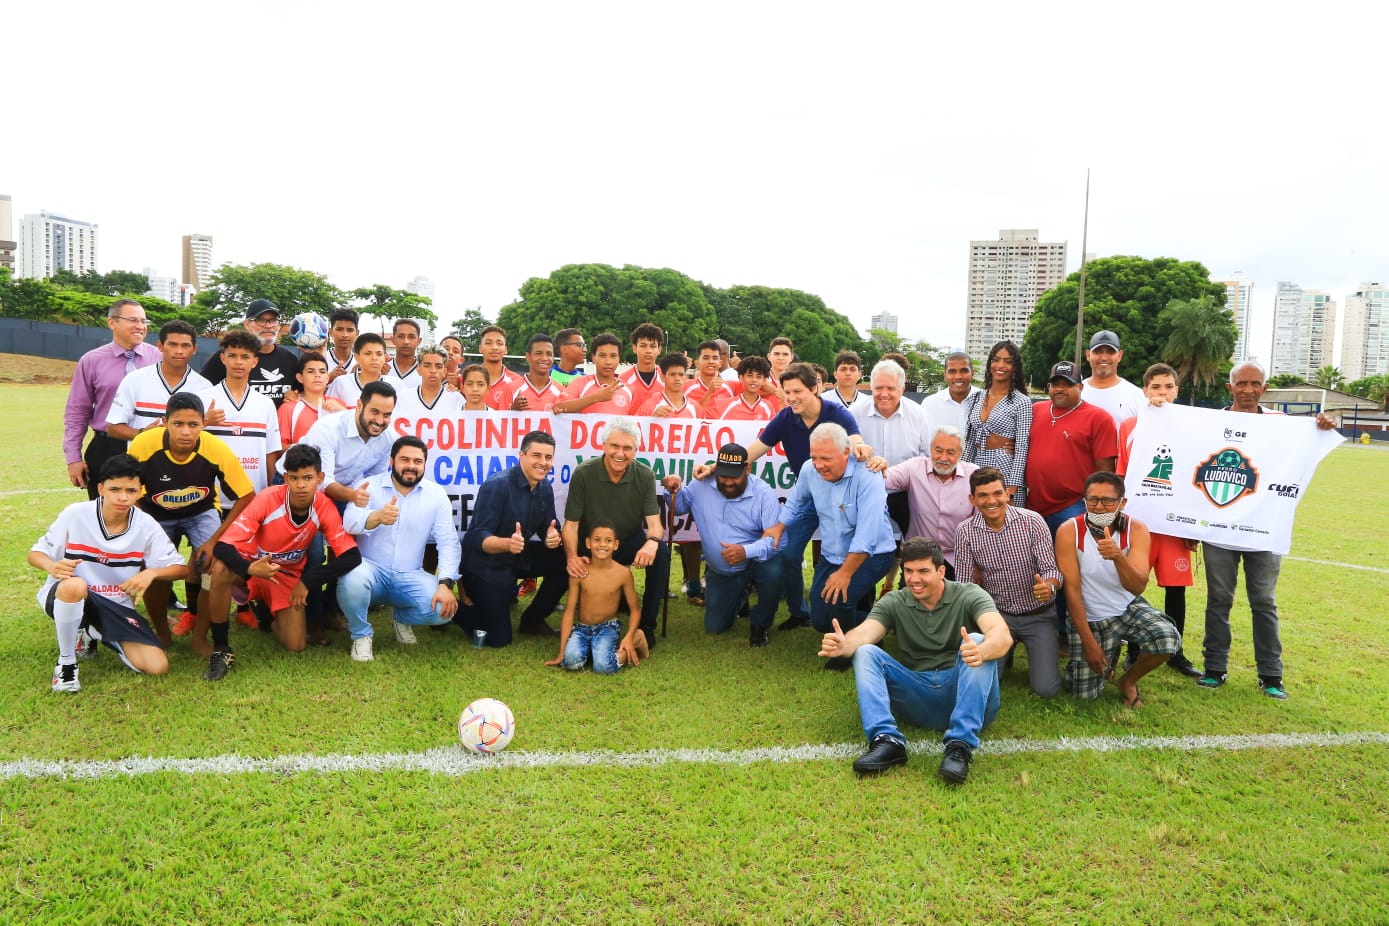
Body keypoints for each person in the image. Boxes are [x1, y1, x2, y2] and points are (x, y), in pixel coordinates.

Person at [819, 538, 1012, 784]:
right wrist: (844, 644)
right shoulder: (895, 601)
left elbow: (1001, 634)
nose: (914, 579)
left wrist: (983, 651)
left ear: (941, 571)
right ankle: (887, 741)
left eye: (923, 571)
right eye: (908, 571)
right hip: (917, 694)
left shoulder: (969, 594)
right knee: (865, 651)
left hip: (964, 693)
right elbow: (866, 633)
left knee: (976, 640)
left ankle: (960, 746)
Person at [694, 363, 871, 631]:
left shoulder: (837, 413)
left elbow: (856, 440)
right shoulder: (786, 417)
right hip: (806, 496)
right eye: (787, 392)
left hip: (841, 497)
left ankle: (857, 610)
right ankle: (799, 612)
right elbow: (751, 452)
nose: (791, 398)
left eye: (797, 391)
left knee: (850, 552)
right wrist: (713, 468)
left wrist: (863, 449)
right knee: (788, 553)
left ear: (816, 388)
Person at [1198, 360, 1337, 700]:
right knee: (1219, 599)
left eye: (1254, 383)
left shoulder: (1283, 425)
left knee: (1263, 601)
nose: (1247, 389)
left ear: (1265, 388)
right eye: (1241, 383)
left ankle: (1271, 675)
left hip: (1264, 527)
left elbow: (1312, 441)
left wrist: (1323, 425)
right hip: (1220, 528)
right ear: (1229, 388)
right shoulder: (1212, 423)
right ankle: (1215, 668)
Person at [28, 454, 193, 692]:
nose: (123, 497)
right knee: (75, 585)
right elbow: (35, 553)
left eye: (131, 490)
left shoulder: (145, 524)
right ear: (101, 488)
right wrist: (51, 566)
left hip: (115, 604)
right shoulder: (76, 514)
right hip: (71, 594)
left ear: (139, 492)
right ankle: (66, 664)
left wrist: (152, 573)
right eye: (115, 489)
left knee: (157, 666)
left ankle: (91, 630)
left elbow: (182, 569)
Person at [205, 444, 363, 679]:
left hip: (284, 575)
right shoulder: (269, 498)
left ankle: (265, 614)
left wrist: (307, 582)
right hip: (252, 566)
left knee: (296, 645)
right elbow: (223, 546)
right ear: (286, 478)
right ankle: (221, 650)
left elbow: (351, 556)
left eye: (308, 478)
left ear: (320, 478)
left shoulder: (323, 506)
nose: (301, 485)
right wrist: (248, 568)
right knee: (219, 570)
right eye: (295, 478)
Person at [126, 391, 256, 645]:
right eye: (178, 424)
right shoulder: (143, 444)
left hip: (201, 512)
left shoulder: (215, 448)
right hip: (155, 513)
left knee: (214, 564)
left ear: (204, 425)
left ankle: (200, 639)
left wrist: (214, 541)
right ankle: (162, 633)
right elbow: (127, 487)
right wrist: (146, 526)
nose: (186, 432)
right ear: (165, 422)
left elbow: (246, 495)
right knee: (155, 567)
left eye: (193, 425)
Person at [762, 423, 895, 667]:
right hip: (832, 555)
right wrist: (779, 527)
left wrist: (845, 573)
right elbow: (796, 501)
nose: (819, 464)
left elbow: (868, 534)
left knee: (840, 599)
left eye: (826, 458)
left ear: (847, 452)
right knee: (819, 619)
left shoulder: (869, 474)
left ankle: (845, 651)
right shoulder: (808, 471)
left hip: (874, 554)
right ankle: (881, 624)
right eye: (814, 457)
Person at [1054, 472, 1180, 707]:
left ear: (1122, 503)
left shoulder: (1137, 529)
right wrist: (1089, 644)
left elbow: (1138, 586)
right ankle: (1100, 655)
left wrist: (1117, 557)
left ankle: (1127, 681)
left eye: (1108, 501)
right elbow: (1071, 591)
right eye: (1092, 500)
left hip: (1126, 608)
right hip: (1089, 614)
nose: (1099, 507)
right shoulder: (1068, 531)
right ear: (1084, 501)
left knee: (1168, 638)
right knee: (1084, 695)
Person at [339, 436, 461, 661]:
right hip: (369, 570)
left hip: (410, 574)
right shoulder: (369, 486)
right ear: (391, 461)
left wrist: (445, 583)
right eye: (405, 459)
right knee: (351, 581)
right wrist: (376, 516)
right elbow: (348, 522)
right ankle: (361, 635)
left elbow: (448, 543)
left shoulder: (436, 494)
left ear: (425, 464)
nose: (411, 466)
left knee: (443, 611)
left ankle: (402, 618)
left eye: (418, 461)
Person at [1115, 362, 1200, 678]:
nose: (1162, 393)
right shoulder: (1129, 427)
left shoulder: (1191, 427)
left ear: (1176, 391)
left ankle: (1176, 652)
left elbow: (1195, 479)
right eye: (1156, 387)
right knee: (1132, 585)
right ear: (1145, 390)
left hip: (1174, 525)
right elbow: (1122, 474)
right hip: (1139, 523)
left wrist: (1193, 525)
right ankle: (1134, 649)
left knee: (1176, 590)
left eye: (1168, 387)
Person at [953, 467, 1064, 698]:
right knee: (987, 678)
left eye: (997, 493)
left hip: (1038, 615)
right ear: (972, 499)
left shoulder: (1032, 522)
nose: (991, 501)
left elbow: (1052, 570)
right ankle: (1005, 650)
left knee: (1046, 690)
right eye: (983, 495)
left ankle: (1018, 650)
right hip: (997, 617)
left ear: (1007, 494)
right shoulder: (965, 531)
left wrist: (1049, 586)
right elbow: (964, 586)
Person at [562, 418, 669, 649]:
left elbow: (655, 523)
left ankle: (646, 627)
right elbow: (570, 525)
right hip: (591, 545)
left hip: (627, 541)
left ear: (636, 450)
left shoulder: (645, 475)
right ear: (603, 445)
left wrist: (651, 542)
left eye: (627, 448)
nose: (620, 453)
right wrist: (571, 557)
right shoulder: (583, 473)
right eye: (615, 446)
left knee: (661, 551)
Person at [663, 443, 784, 645]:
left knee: (774, 570)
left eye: (734, 476)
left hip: (755, 561)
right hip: (722, 571)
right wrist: (672, 489)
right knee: (715, 627)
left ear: (747, 469)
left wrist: (746, 551)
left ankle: (760, 624)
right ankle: (740, 596)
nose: (728, 481)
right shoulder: (701, 484)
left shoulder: (763, 493)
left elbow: (777, 541)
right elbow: (681, 505)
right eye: (723, 475)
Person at [460, 430, 570, 644]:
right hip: (485, 565)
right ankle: (459, 610)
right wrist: (507, 543)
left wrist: (552, 537)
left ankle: (533, 620)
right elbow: (477, 538)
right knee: (498, 640)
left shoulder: (545, 486)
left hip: (518, 555)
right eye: (536, 455)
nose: (543, 462)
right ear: (522, 455)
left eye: (548, 457)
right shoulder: (498, 485)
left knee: (565, 562)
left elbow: (548, 527)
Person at [63, 298, 160, 497]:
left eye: (143, 321)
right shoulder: (91, 361)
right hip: (107, 448)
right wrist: (73, 457)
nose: (140, 326)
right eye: (133, 320)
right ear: (112, 322)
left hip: (152, 447)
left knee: (151, 516)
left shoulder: (160, 359)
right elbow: (77, 411)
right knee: (105, 516)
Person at [1025, 361, 1117, 538]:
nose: (1060, 389)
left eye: (1067, 384)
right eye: (1056, 384)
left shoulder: (1098, 417)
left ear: (1081, 387)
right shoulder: (1035, 410)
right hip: (1034, 506)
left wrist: (1102, 508)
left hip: (1074, 505)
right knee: (1035, 563)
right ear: (1048, 386)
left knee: (1070, 563)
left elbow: (1106, 470)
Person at [545, 520, 649, 674]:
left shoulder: (623, 574)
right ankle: (595, 650)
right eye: (597, 540)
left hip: (608, 628)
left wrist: (629, 635)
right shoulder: (580, 571)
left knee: (603, 667)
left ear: (616, 545)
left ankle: (636, 640)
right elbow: (569, 611)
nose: (602, 545)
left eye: (608, 541)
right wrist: (562, 652)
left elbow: (635, 609)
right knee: (570, 662)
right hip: (582, 629)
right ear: (588, 543)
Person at [877, 425, 979, 577]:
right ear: (930, 449)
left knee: (960, 600)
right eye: (938, 450)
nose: (943, 458)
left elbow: (982, 523)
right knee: (909, 600)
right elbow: (882, 479)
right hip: (918, 556)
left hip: (959, 559)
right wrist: (877, 465)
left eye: (951, 452)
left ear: (960, 454)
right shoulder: (914, 468)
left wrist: (977, 564)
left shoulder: (974, 475)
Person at [198, 330, 284, 506]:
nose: (238, 362)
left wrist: (270, 494)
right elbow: (183, 440)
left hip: (253, 500)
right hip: (210, 502)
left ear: (254, 361)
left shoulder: (266, 404)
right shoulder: (203, 398)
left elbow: (270, 454)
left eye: (245, 356)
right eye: (232, 355)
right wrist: (203, 422)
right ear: (223, 359)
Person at [854, 359, 932, 544]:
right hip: (866, 493)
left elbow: (927, 456)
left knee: (914, 546)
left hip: (907, 494)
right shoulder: (854, 413)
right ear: (870, 388)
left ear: (902, 389)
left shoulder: (918, 414)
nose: (884, 394)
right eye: (878, 388)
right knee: (863, 548)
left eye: (890, 388)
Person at [293, 380, 398, 506]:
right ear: (359, 405)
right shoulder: (327, 429)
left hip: (345, 491)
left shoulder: (389, 437)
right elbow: (321, 480)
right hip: (298, 484)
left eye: (387, 415)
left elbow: (375, 478)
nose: (380, 421)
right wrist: (353, 495)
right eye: (374, 412)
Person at [105, 320, 212, 441]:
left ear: (194, 349)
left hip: (188, 459)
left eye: (185, 345)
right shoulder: (135, 380)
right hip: (142, 459)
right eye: (172, 344)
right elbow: (112, 427)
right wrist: (142, 434)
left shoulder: (204, 387)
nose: (179, 351)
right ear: (160, 346)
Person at [962, 340, 1031, 505]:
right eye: (996, 359)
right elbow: (969, 442)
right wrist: (962, 475)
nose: (1001, 365)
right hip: (977, 467)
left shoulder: (1021, 402)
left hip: (1005, 469)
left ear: (1015, 367)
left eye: (1008, 361)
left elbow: (1022, 447)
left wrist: (1012, 491)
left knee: (1007, 526)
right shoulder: (975, 398)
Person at [200, 299, 299, 407]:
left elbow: (306, 394)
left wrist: (297, 396)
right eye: (261, 320)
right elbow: (201, 390)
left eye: (273, 320)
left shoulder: (290, 360)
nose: (268, 326)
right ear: (247, 324)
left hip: (275, 423)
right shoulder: (228, 356)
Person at [554, 332, 635, 415]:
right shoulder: (579, 383)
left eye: (613, 356)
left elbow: (638, 421)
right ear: (593, 357)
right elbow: (557, 407)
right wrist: (596, 397)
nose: (608, 362)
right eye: (602, 356)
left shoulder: (629, 389)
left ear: (619, 358)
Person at [278, 353, 347, 447]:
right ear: (300, 378)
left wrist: (344, 412)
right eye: (311, 371)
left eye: (322, 372)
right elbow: (277, 447)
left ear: (327, 378)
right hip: (300, 461)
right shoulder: (288, 408)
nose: (317, 375)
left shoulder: (338, 405)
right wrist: (307, 450)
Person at [1081, 330, 1146, 428]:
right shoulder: (1075, 393)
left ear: (1119, 356)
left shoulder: (1138, 397)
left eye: (1110, 352)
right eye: (1098, 351)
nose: (1103, 357)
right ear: (1088, 355)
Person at [488, 334, 564, 411]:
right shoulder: (511, 388)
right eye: (538, 353)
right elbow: (500, 421)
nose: (544, 358)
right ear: (528, 357)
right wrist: (512, 410)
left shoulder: (560, 390)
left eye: (549, 354)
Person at [390, 345, 464, 422]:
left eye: (438, 366)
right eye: (427, 365)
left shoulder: (457, 399)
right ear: (418, 370)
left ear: (444, 372)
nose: (433, 370)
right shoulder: (402, 397)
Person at [922, 351, 981, 438]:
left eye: (964, 371)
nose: (958, 376)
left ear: (972, 373)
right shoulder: (929, 404)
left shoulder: (987, 400)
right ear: (945, 375)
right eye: (952, 371)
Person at [325, 332, 390, 409]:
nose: (374, 358)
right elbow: (328, 413)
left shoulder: (396, 384)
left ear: (385, 357)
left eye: (379, 354)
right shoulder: (341, 383)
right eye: (368, 353)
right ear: (356, 357)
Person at [713, 355, 778, 420]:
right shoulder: (725, 405)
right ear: (741, 377)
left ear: (764, 380)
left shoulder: (768, 407)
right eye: (750, 375)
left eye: (759, 376)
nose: (754, 380)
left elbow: (776, 428)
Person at [619, 323, 666, 413]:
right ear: (634, 348)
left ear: (659, 349)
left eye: (653, 346)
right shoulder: (623, 381)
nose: (648, 350)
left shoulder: (667, 378)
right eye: (643, 346)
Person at [636, 353, 697, 418]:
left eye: (681, 374)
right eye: (672, 374)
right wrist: (652, 419)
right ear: (662, 378)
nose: (677, 378)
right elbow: (634, 427)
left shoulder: (695, 408)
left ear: (685, 377)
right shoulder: (649, 406)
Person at [683, 340, 736, 415]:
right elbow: (693, 416)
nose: (711, 361)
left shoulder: (731, 387)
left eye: (715, 358)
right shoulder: (686, 387)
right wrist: (710, 392)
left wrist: (742, 367)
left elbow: (757, 391)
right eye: (706, 358)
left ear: (720, 363)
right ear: (697, 363)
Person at [478, 325, 522, 393]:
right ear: (480, 348)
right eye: (488, 343)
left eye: (499, 343)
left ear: (505, 350)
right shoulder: (465, 379)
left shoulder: (517, 381)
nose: (494, 347)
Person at [383, 318, 422, 390]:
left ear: (419, 341)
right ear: (393, 339)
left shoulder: (426, 371)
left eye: (411, 337)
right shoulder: (383, 367)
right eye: (401, 336)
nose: (406, 341)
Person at [324, 308, 361, 382]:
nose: (345, 335)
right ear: (330, 332)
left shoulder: (361, 363)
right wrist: (328, 378)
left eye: (350, 330)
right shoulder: (320, 360)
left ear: (357, 333)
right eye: (339, 329)